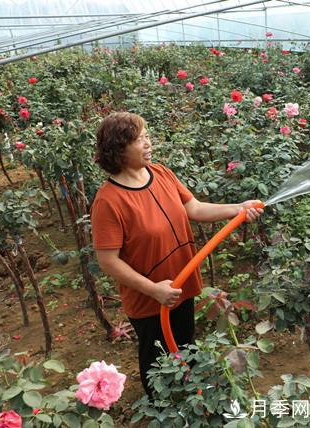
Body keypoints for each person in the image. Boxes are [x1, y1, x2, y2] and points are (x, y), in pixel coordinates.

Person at [90, 112, 263, 399]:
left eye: (147, 136)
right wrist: (154, 290)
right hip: (150, 299)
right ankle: (163, 410)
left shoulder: (161, 173)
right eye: (140, 139)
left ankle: (191, 402)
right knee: (157, 361)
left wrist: (238, 208)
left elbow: (193, 209)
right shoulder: (109, 201)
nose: (148, 143)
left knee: (185, 345)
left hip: (181, 284)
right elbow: (108, 261)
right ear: (119, 148)